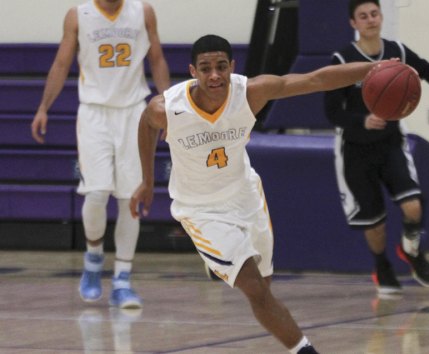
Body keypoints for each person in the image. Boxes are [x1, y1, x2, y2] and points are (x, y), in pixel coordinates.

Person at [129, 34, 379, 354]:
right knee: (255, 289)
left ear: (232, 66)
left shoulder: (251, 93)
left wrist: (376, 67)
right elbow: (145, 125)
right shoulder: (167, 108)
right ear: (193, 71)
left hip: (246, 195)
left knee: (265, 287)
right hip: (201, 210)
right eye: (206, 68)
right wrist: (147, 182)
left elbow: (315, 79)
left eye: (221, 66)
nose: (215, 75)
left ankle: (221, 262)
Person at [324, 0, 429, 295]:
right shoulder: (342, 59)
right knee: (374, 224)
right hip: (355, 149)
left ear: (381, 17)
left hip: (390, 143)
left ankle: (411, 250)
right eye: (363, 16)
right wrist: (362, 121)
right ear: (353, 23)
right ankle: (382, 265)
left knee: (412, 205)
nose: (370, 20)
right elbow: (331, 112)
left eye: (374, 14)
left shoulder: (397, 52)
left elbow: (425, 68)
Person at [31, 0, 170, 309]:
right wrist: (43, 107)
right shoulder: (78, 15)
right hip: (94, 112)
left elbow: (157, 59)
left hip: (134, 111)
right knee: (96, 194)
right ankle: (93, 257)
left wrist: (167, 104)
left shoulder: (143, 11)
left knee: (130, 199)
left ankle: (122, 278)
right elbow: (61, 63)